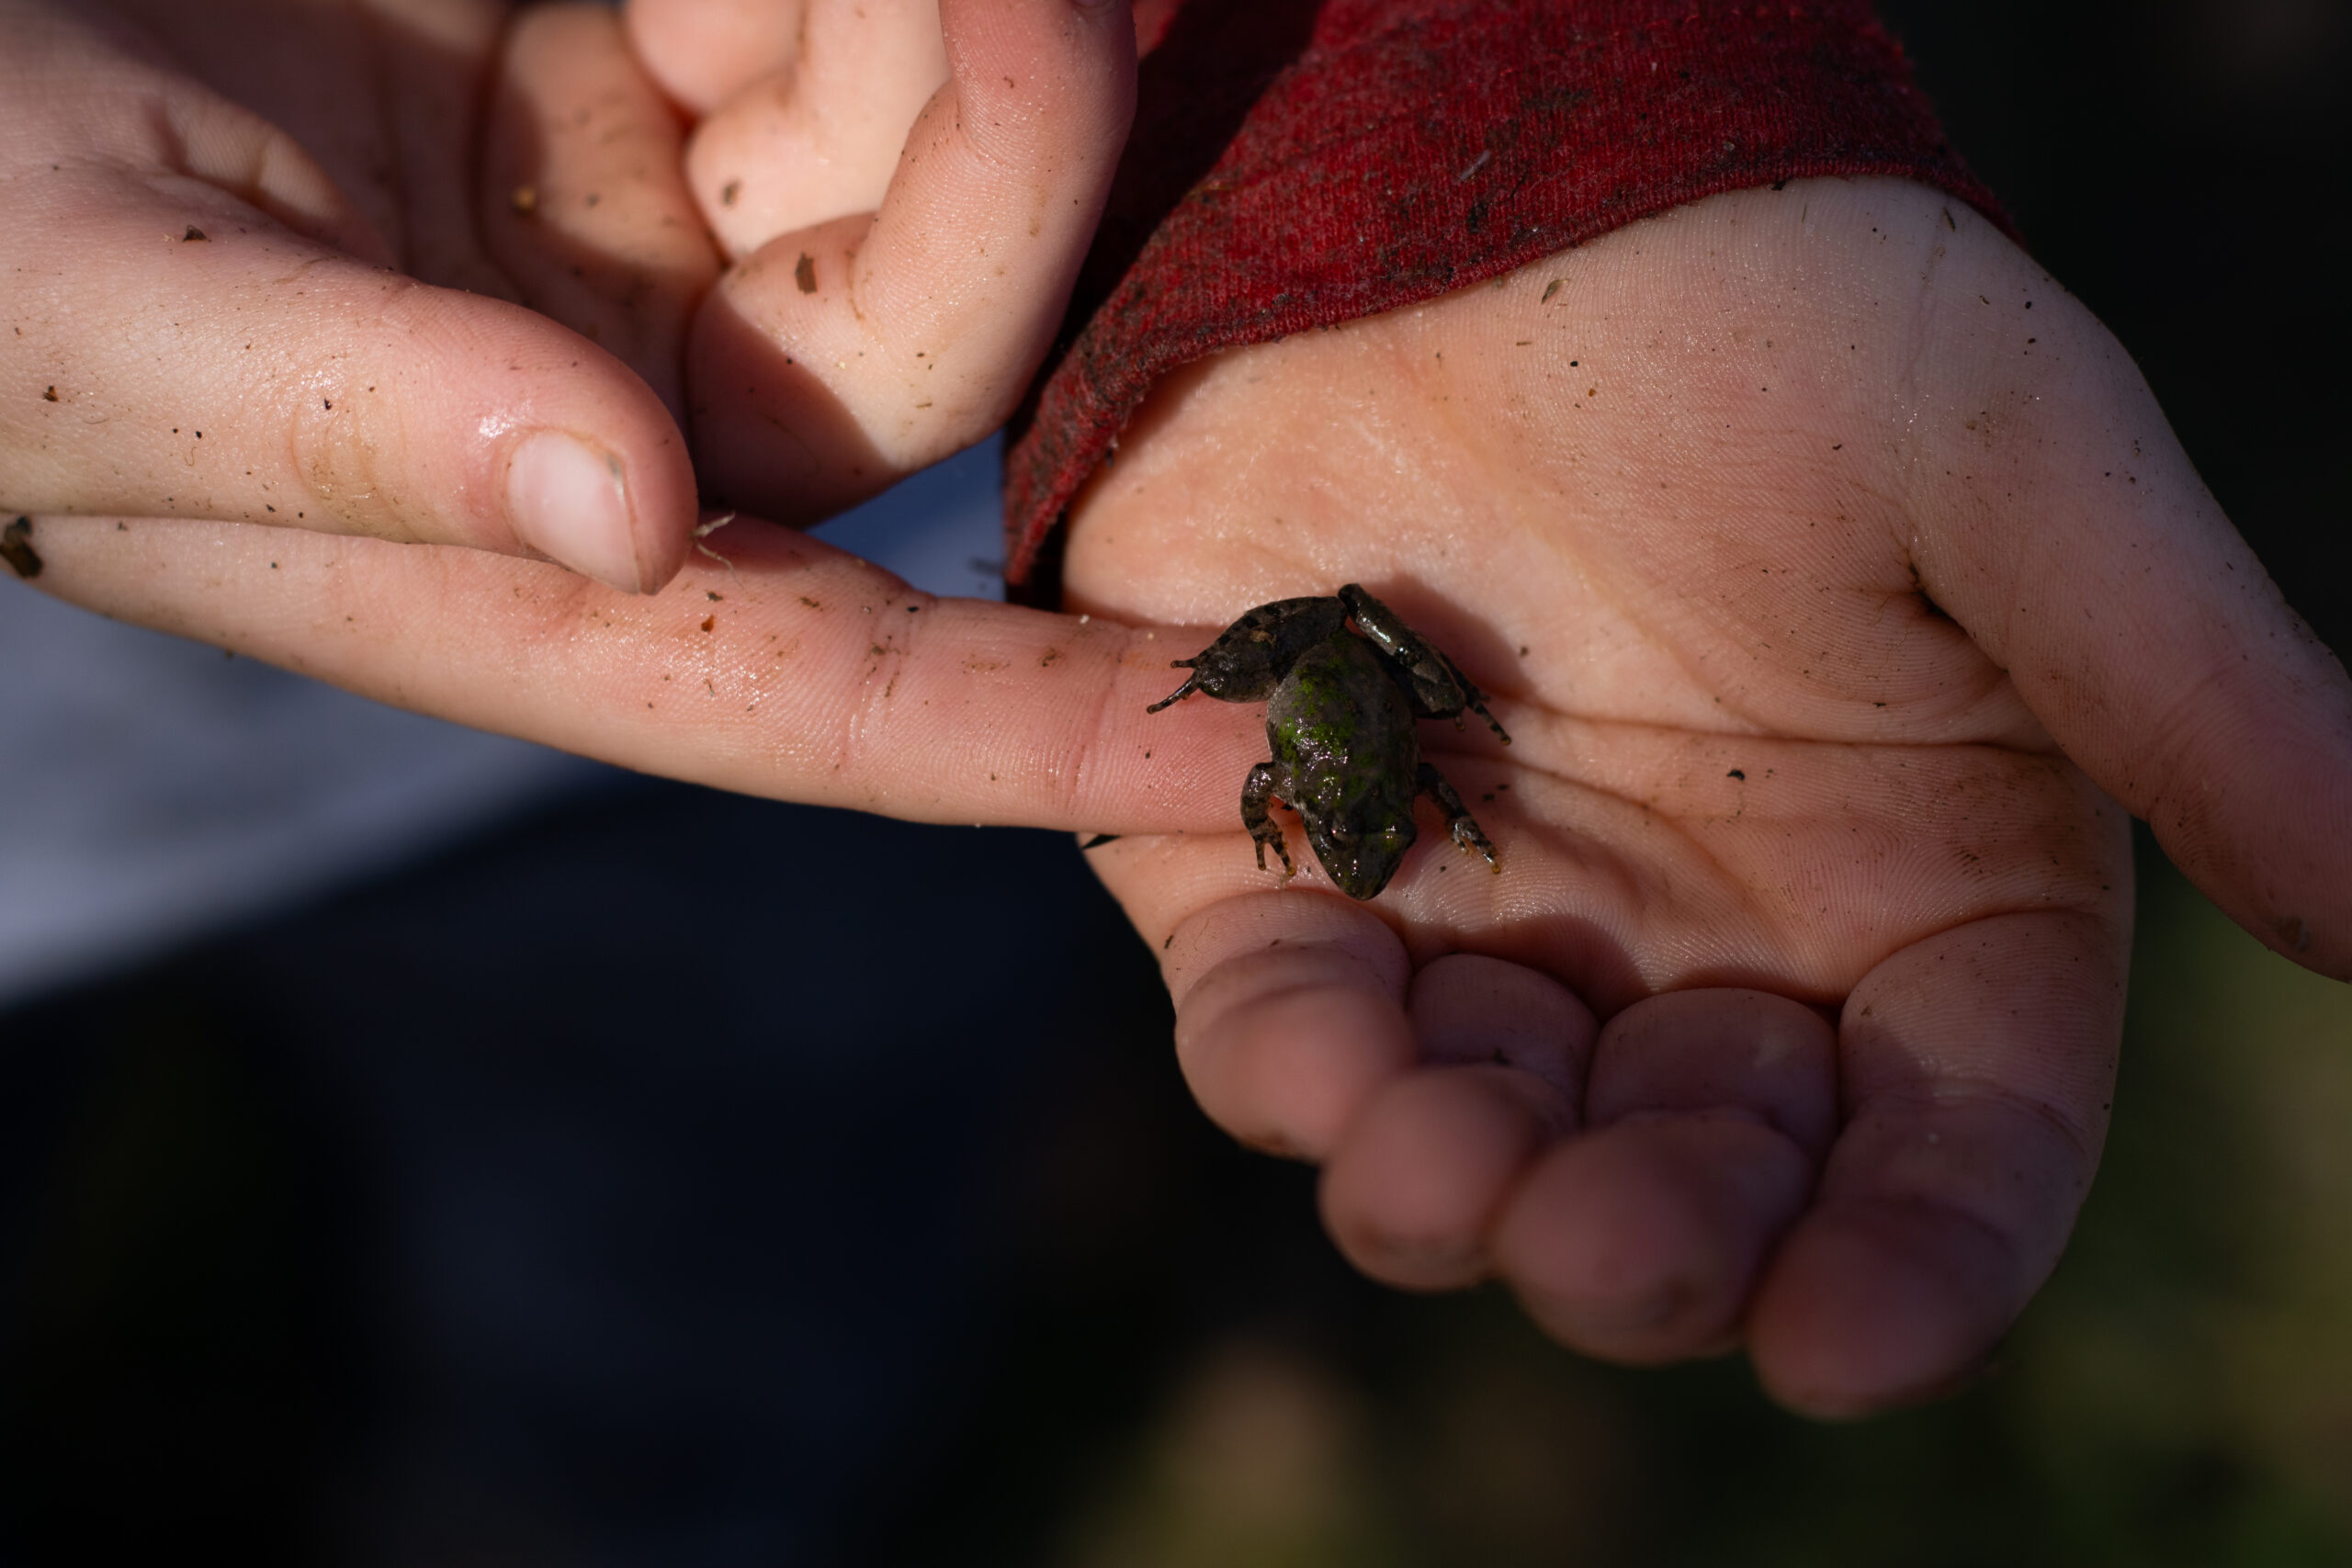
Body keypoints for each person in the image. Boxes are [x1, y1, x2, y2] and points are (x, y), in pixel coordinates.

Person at [6, 0, 2346, 1428]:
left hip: (899, 569)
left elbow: (1362, 747)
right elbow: (1346, 751)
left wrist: (1434, 85)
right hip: (95, 768)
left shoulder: (1341, 760)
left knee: (683, 1302)